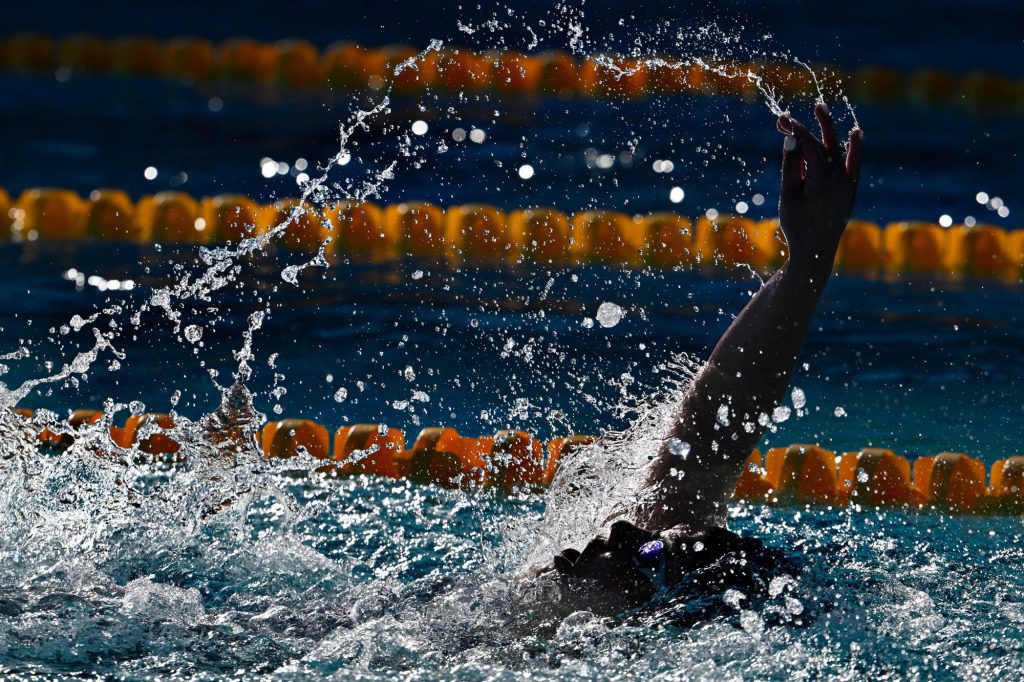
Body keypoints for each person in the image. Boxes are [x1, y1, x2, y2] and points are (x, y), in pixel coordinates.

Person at [534, 103, 863, 616]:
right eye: (643, 545)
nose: (620, 532)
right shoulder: (569, 607)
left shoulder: (540, 619)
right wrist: (809, 260)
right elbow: (711, 429)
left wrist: (810, 260)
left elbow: (710, 432)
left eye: (645, 549)